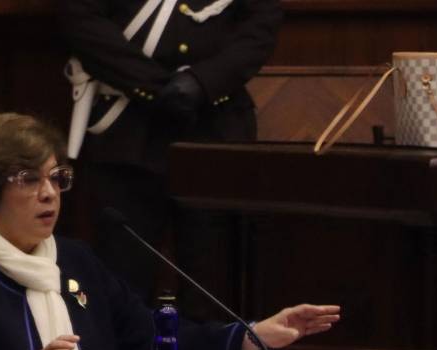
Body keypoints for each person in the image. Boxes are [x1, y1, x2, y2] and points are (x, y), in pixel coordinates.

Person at [0, 113, 339, 350]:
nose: (49, 193)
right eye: (28, 179)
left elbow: (150, 337)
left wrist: (252, 334)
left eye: (57, 178)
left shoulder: (76, 261)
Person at [59, 0, 283, 315]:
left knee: (213, 281)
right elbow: (81, 19)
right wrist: (154, 87)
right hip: (128, 130)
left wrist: (203, 83)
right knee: (123, 275)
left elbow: (260, 25)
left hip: (214, 132)